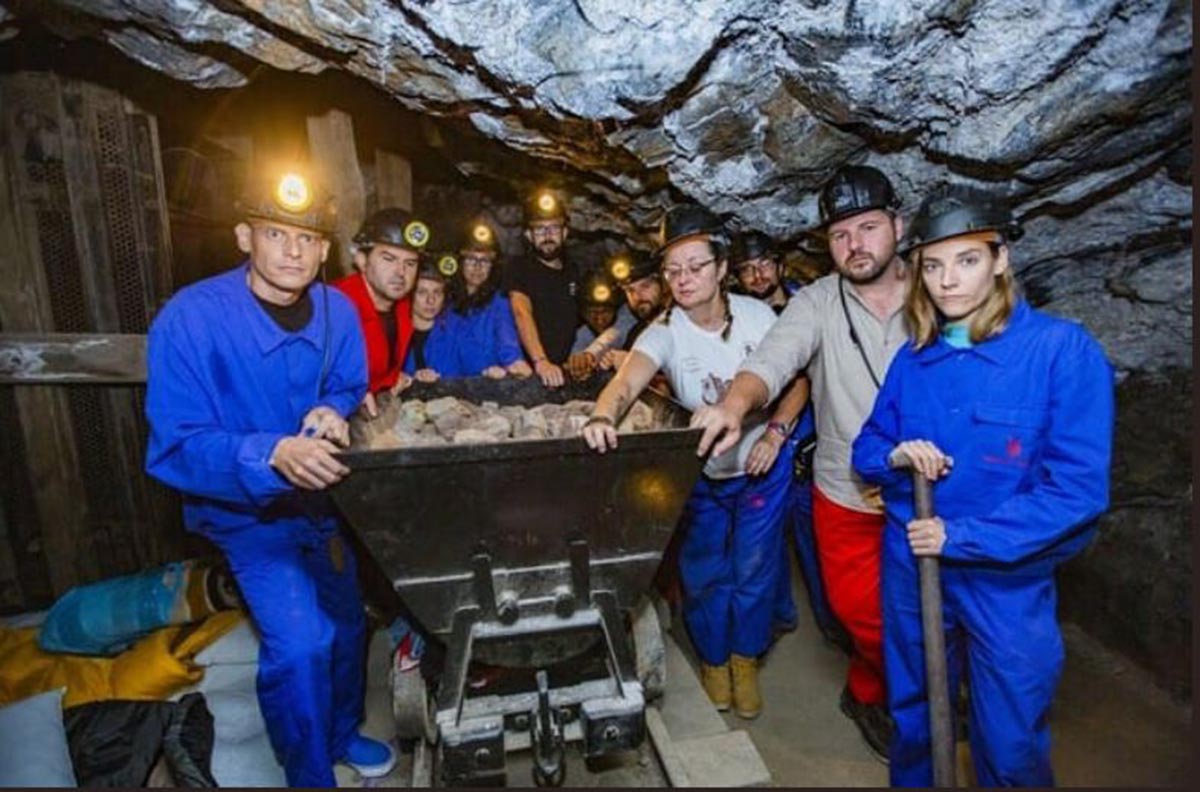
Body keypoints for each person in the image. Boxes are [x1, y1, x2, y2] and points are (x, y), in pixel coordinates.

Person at [852, 186, 1113, 786]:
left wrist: (959, 536)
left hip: (1006, 580)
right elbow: (865, 450)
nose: (947, 281)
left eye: (967, 260)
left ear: (1000, 259)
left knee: (1010, 738)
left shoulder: (1060, 352)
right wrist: (894, 454)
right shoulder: (913, 361)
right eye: (933, 265)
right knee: (915, 718)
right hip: (913, 566)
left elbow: (1076, 492)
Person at [145, 168, 395, 786]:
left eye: (308, 239)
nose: (294, 251)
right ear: (243, 237)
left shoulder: (337, 309)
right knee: (303, 641)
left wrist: (332, 409)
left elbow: (347, 381)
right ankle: (309, 771)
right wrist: (269, 455)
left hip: (322, 506)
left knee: (347, 623)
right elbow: (176, 445)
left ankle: (340, 732)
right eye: (276, 233)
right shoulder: (191, 319)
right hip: (248, 518)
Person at [691, 164, 909, 760]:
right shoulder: (816, 301)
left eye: (867, 227)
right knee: (861, 613)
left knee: (935, 612)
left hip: (929, 491)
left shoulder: (935, 293)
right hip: (848, 491)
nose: (854, 245)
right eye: (840, 235)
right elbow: (773, 360)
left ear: (898, 224)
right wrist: (736, 406)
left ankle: (879, 692)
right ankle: (891, 685)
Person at [582, 204, 802, 720]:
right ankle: (712, 658)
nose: (683, 279)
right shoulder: (662, 330)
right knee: (704, 572)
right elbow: (627, 381)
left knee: (754, 568)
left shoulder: (759, 317)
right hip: (701, 474)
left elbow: (799, 381)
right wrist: (602, 416)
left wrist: (776, 430)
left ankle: (744, 660)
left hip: (760, 471)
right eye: (673, 270)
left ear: (722, 267)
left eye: (696, 266)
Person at [333, 208, 429, 413]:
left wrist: (391, 380)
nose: (400, 272)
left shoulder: (402, 308)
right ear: (361, 259)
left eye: (410, 263)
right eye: (388, 258)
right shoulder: (334, 306)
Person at [507, 189, 581, 388]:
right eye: (540, 229)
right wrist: (540, 361)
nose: (547, 236)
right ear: (529, 236)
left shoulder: (574, 271)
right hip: (527, 372)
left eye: (554, 228)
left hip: (561, 371)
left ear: (564, 233)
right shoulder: (519, 269)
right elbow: (521, 312)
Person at [446, 218, 532, 379]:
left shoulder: (499, 303)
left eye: (485, 260)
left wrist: (516, 364)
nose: (478, 267)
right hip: (441, 385)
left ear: (494, 265)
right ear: (460, 261)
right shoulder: (443, 300)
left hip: (482, 386)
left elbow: (508, 344)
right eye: (471, 259)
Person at [600, 250, 667, 371]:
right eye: (630, 290)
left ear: (663, 284)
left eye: (645, 286)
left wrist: (633, 367)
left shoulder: (681, 325)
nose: (637, 297)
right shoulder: (636, 333)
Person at [565, 269, 636, 381]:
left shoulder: (628, 318)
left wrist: (590, 355)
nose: (599, 319)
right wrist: (579, 366)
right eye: (592, 312)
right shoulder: (582, 334)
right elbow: (577, 358)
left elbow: (615, 334)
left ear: (615, 309)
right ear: (583, 313)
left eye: (605, 311)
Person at [402, 255, 461, 382]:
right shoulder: (395, 331)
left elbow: (474, 366)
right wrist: (411, 378)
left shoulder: (456, 330)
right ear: (410, 295)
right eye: (422, 292)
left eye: (437, 292)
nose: (431, 300)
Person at [730, 231, 799, 311]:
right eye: (747, 270)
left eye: (765, 265)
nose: (757, 275)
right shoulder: (737, 315)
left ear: (780, 267)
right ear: (738, 278)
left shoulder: (804, 300)